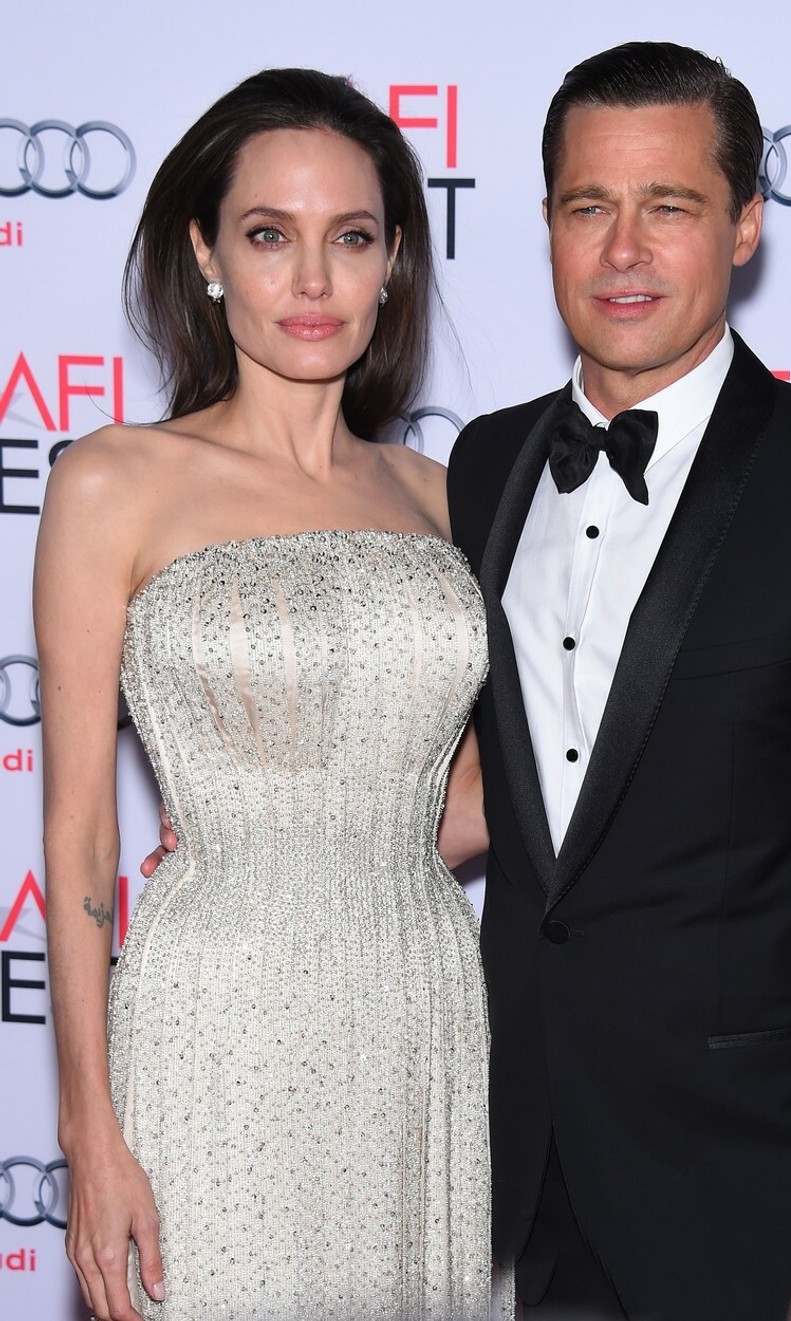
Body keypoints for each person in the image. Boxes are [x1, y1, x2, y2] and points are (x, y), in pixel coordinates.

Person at [444, 42, 791, 1321]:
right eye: (588, 206)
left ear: (744, 224)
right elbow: (497, 790)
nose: (622, 250)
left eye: (670, 206)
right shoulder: (481, 466)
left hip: (760, 1192)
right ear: (546, 223)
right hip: (516, 1176)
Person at [35, 68, 507, 1321]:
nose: (311, 280)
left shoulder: (447, 498)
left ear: (392, 262)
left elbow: (474, 800)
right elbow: (77, 829)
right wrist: (89, 1130)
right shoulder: (113, 482)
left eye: (349, 238)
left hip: (417, 1005)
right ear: (204, 253)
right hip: (214, 1013)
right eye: (267, 235)